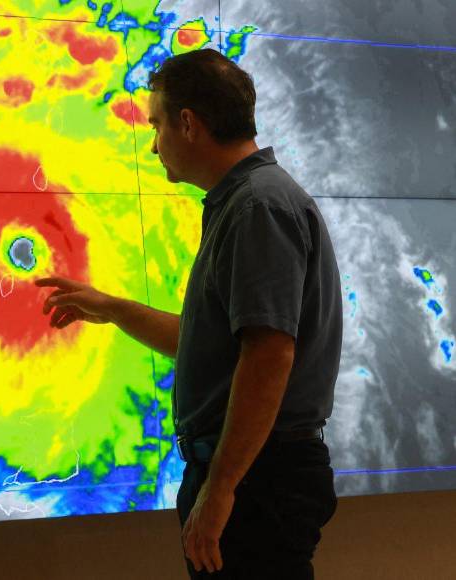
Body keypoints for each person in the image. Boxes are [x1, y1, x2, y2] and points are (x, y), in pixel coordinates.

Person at [36, 48, 342, 579]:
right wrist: (112, 308)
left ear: (188, 123)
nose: (154, 145)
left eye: (156, 126)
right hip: (250, 474)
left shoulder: (257, 207)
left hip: (257, 481)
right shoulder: (242, 202)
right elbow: (209, 344)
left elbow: (269, 353)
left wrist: (221, 488)